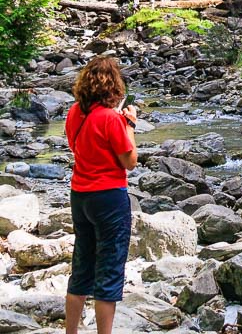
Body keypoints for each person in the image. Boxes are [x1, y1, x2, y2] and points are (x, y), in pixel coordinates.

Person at [64, 56, 138, 334]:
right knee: (108, 271)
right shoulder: (111, 119)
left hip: (80, 196)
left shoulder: (74, 112)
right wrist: (130, 125)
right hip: (109, 197)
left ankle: (70, 331)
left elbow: (75, 146)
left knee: (82, 268)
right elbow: (129, 162)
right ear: (113, 85)